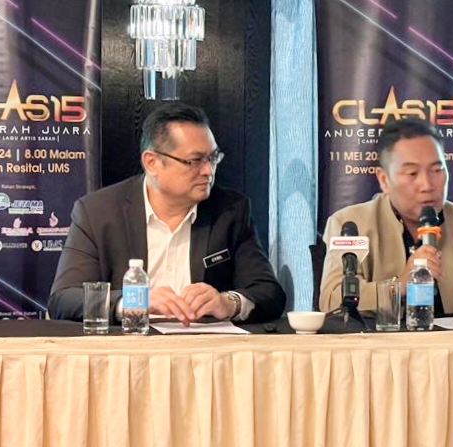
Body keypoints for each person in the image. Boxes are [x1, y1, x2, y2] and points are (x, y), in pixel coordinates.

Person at [48, 103, 286, 325]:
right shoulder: (98, 212)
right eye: (195, 161)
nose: (208, 170)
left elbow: (269, 293)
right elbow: (64, 298)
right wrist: (135, 302)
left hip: (206, 349)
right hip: (129, 348)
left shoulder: (230, 211)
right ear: (152, 162)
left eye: (213, 158)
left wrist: (228, 303)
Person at [318, 117, 453, 318]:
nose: (427, 185)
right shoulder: (350, 224)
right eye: (412, 173)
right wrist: (400, 285)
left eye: (436, 170)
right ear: (384, 180)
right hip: (381, 349)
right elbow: (331, 299)